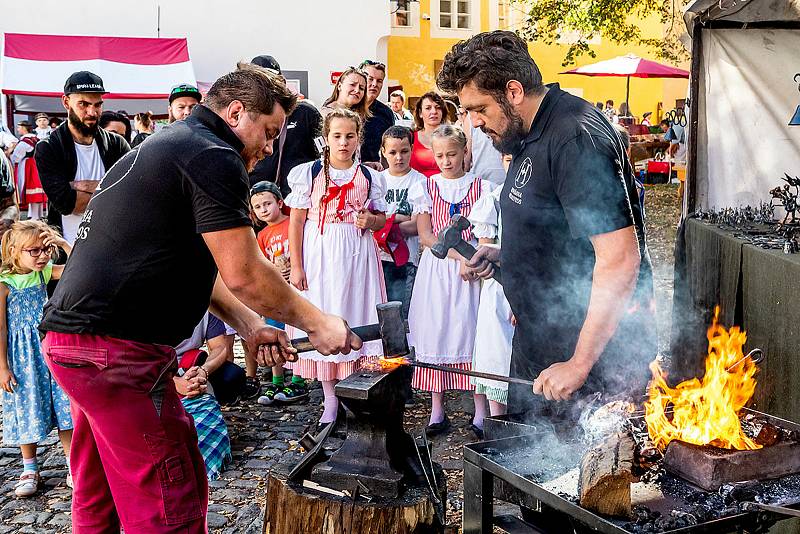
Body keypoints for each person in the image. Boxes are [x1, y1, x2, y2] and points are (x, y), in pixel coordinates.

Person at [39, 63, 360, 533]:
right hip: (115, 353)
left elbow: (197, 269)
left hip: (75, 346)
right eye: (269, 132)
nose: (270, 147)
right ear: (235, 112)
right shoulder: (212, 154)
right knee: (171, 489)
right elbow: (247, 273)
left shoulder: (169, 145)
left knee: (100, 489)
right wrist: (317, 322)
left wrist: (250, 326)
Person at [437, 31, 655, 423]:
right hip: (540, 348)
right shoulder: (527, 132)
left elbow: (620, 260)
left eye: (478, 108)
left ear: (514, 92)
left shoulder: (574, 138)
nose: (472, 122)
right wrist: (509, 257)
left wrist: (579, 363)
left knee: (587, 482)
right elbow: (559, 229)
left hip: (589, 364)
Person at [285, 107, 387, 430]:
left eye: (350, 136)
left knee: (354, 315)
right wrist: (297, 266)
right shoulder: (310, 174)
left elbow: (382, 218)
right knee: (325, 313)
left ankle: (352, 392)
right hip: (321, 253)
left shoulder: (370, 177)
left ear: (359, 139)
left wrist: (370, 220)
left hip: (357, 256)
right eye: (337, 136)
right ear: (326, 138)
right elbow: (297, 221)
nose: (343, 143)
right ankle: (330, 397)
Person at [407, 124, 491, 438]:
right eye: (440, 155)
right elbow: (428, 237)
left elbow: (487, 230)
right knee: (438, 331)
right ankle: (437, 409)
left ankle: (480, 411)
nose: (446, 161)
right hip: (440, 269)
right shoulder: (427, 188)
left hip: (473, 270)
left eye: (452, 154)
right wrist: (461, 257)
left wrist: (474, 259)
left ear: (464, 152)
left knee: (472, 332)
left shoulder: (481, 187)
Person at [0, 221, 73, 497]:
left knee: (64, 407)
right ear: (14, 251)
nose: (42, 256)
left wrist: (63, 244)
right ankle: (29, 467)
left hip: (48, 349)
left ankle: (73, 465)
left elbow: (77, 268)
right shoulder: (4, 284)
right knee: (27, 406)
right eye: (34, 251)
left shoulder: (43, 275)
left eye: (46, 249)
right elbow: (1, 328)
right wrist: (3, 366)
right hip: (22, 358)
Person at [35, 71, 130, 244]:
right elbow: (66, 204)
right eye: (83, 104)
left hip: (114, 244)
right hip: (69, 248)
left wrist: (87, 186)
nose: (92, 112)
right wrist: (110, 188)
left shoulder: (117, 144)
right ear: (66, 102)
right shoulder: (49, 147)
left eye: (97, 105)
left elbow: (129, 196)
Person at [249, 180, 309, 405]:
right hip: (275, 292)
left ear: (280, 202)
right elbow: (262, 263)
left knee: (295, 334)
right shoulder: (262, 235)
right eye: (258, 207)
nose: (264, 209)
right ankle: (276, 381)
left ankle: (298, 378)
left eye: (267, 203)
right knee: (274, 333)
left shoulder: (292, 223)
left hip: (295, 289)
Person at [248, 55, 322, 197]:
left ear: (282, 81)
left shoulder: (306, 113)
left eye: (270, 80)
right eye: (259, 81)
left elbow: (325, 155)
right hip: (257, 201)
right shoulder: (245, 116)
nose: (265, 87)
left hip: (297, 200)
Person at [468, 185, 513, 419]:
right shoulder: (494, 199)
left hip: (528, 285)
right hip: (498, 289)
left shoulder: (541, 192)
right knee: (496, 354)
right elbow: (485, 246)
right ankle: (497, 422)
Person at [174, 312, 235, 480]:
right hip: (154, 370)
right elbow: (139, 359)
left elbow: (220, 347)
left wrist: (203, 371)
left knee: (232, 375)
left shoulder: (206, 304)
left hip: (190, 365)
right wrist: (173, 382)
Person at [378, 126, 425, 317]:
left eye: (404, 151)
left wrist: (383, 225)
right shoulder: (377, 180)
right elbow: (370, 220)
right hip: (379, 257)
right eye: (393, 152)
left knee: (401, 311)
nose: (399, 157)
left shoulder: (420, 182)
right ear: (383, 152)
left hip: (406, 259)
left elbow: (417, 225)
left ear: (412, 149)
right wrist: (396, 219)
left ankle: (401, 348)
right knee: (380, 310)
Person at [359, 60, 395, 170]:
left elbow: (389, 147)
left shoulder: (386, 113)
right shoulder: (345, 108)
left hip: (373, 172)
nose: (374, 84)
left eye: (379, 81)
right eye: (370, 79)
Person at [9, 121, 45, 219]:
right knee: (37, 189)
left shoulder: (25, 142)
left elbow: (16, 157)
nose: (18, 129)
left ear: (24, 128)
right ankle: (38, 214)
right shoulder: (36, 139)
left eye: (19, 127)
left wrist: (9, 157)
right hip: (37, 165)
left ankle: (33, 216)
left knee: (30, 188)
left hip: (28, 166)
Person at [410, 91, 448, 177]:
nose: (434, 111)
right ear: (420, 113)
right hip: (416, 188)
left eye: (438, 107)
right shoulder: (410, 137)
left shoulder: (452, 138)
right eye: (428, 108)